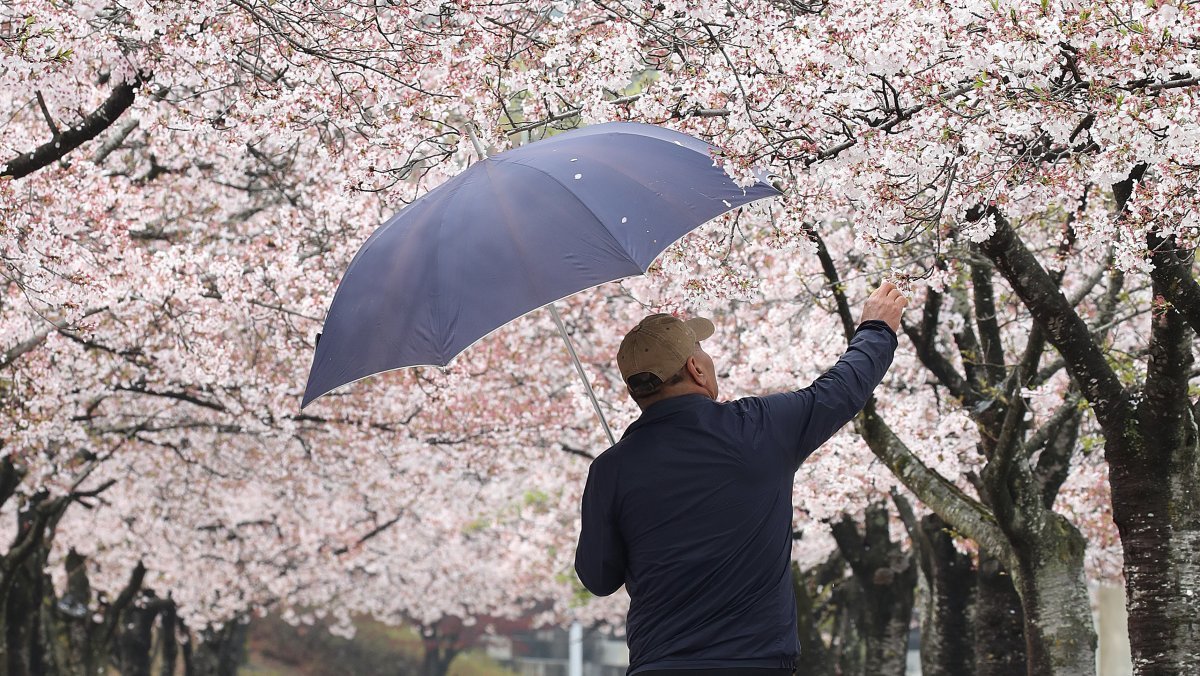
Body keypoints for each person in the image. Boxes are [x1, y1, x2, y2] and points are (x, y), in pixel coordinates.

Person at [574, 282, 907, 676]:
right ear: (696, 368)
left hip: (659, 665)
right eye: (702, 351)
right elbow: (841, 390)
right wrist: (876, 330)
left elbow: (598, 577)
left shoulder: (611, 469)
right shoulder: (759, 427)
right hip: (755, 663)